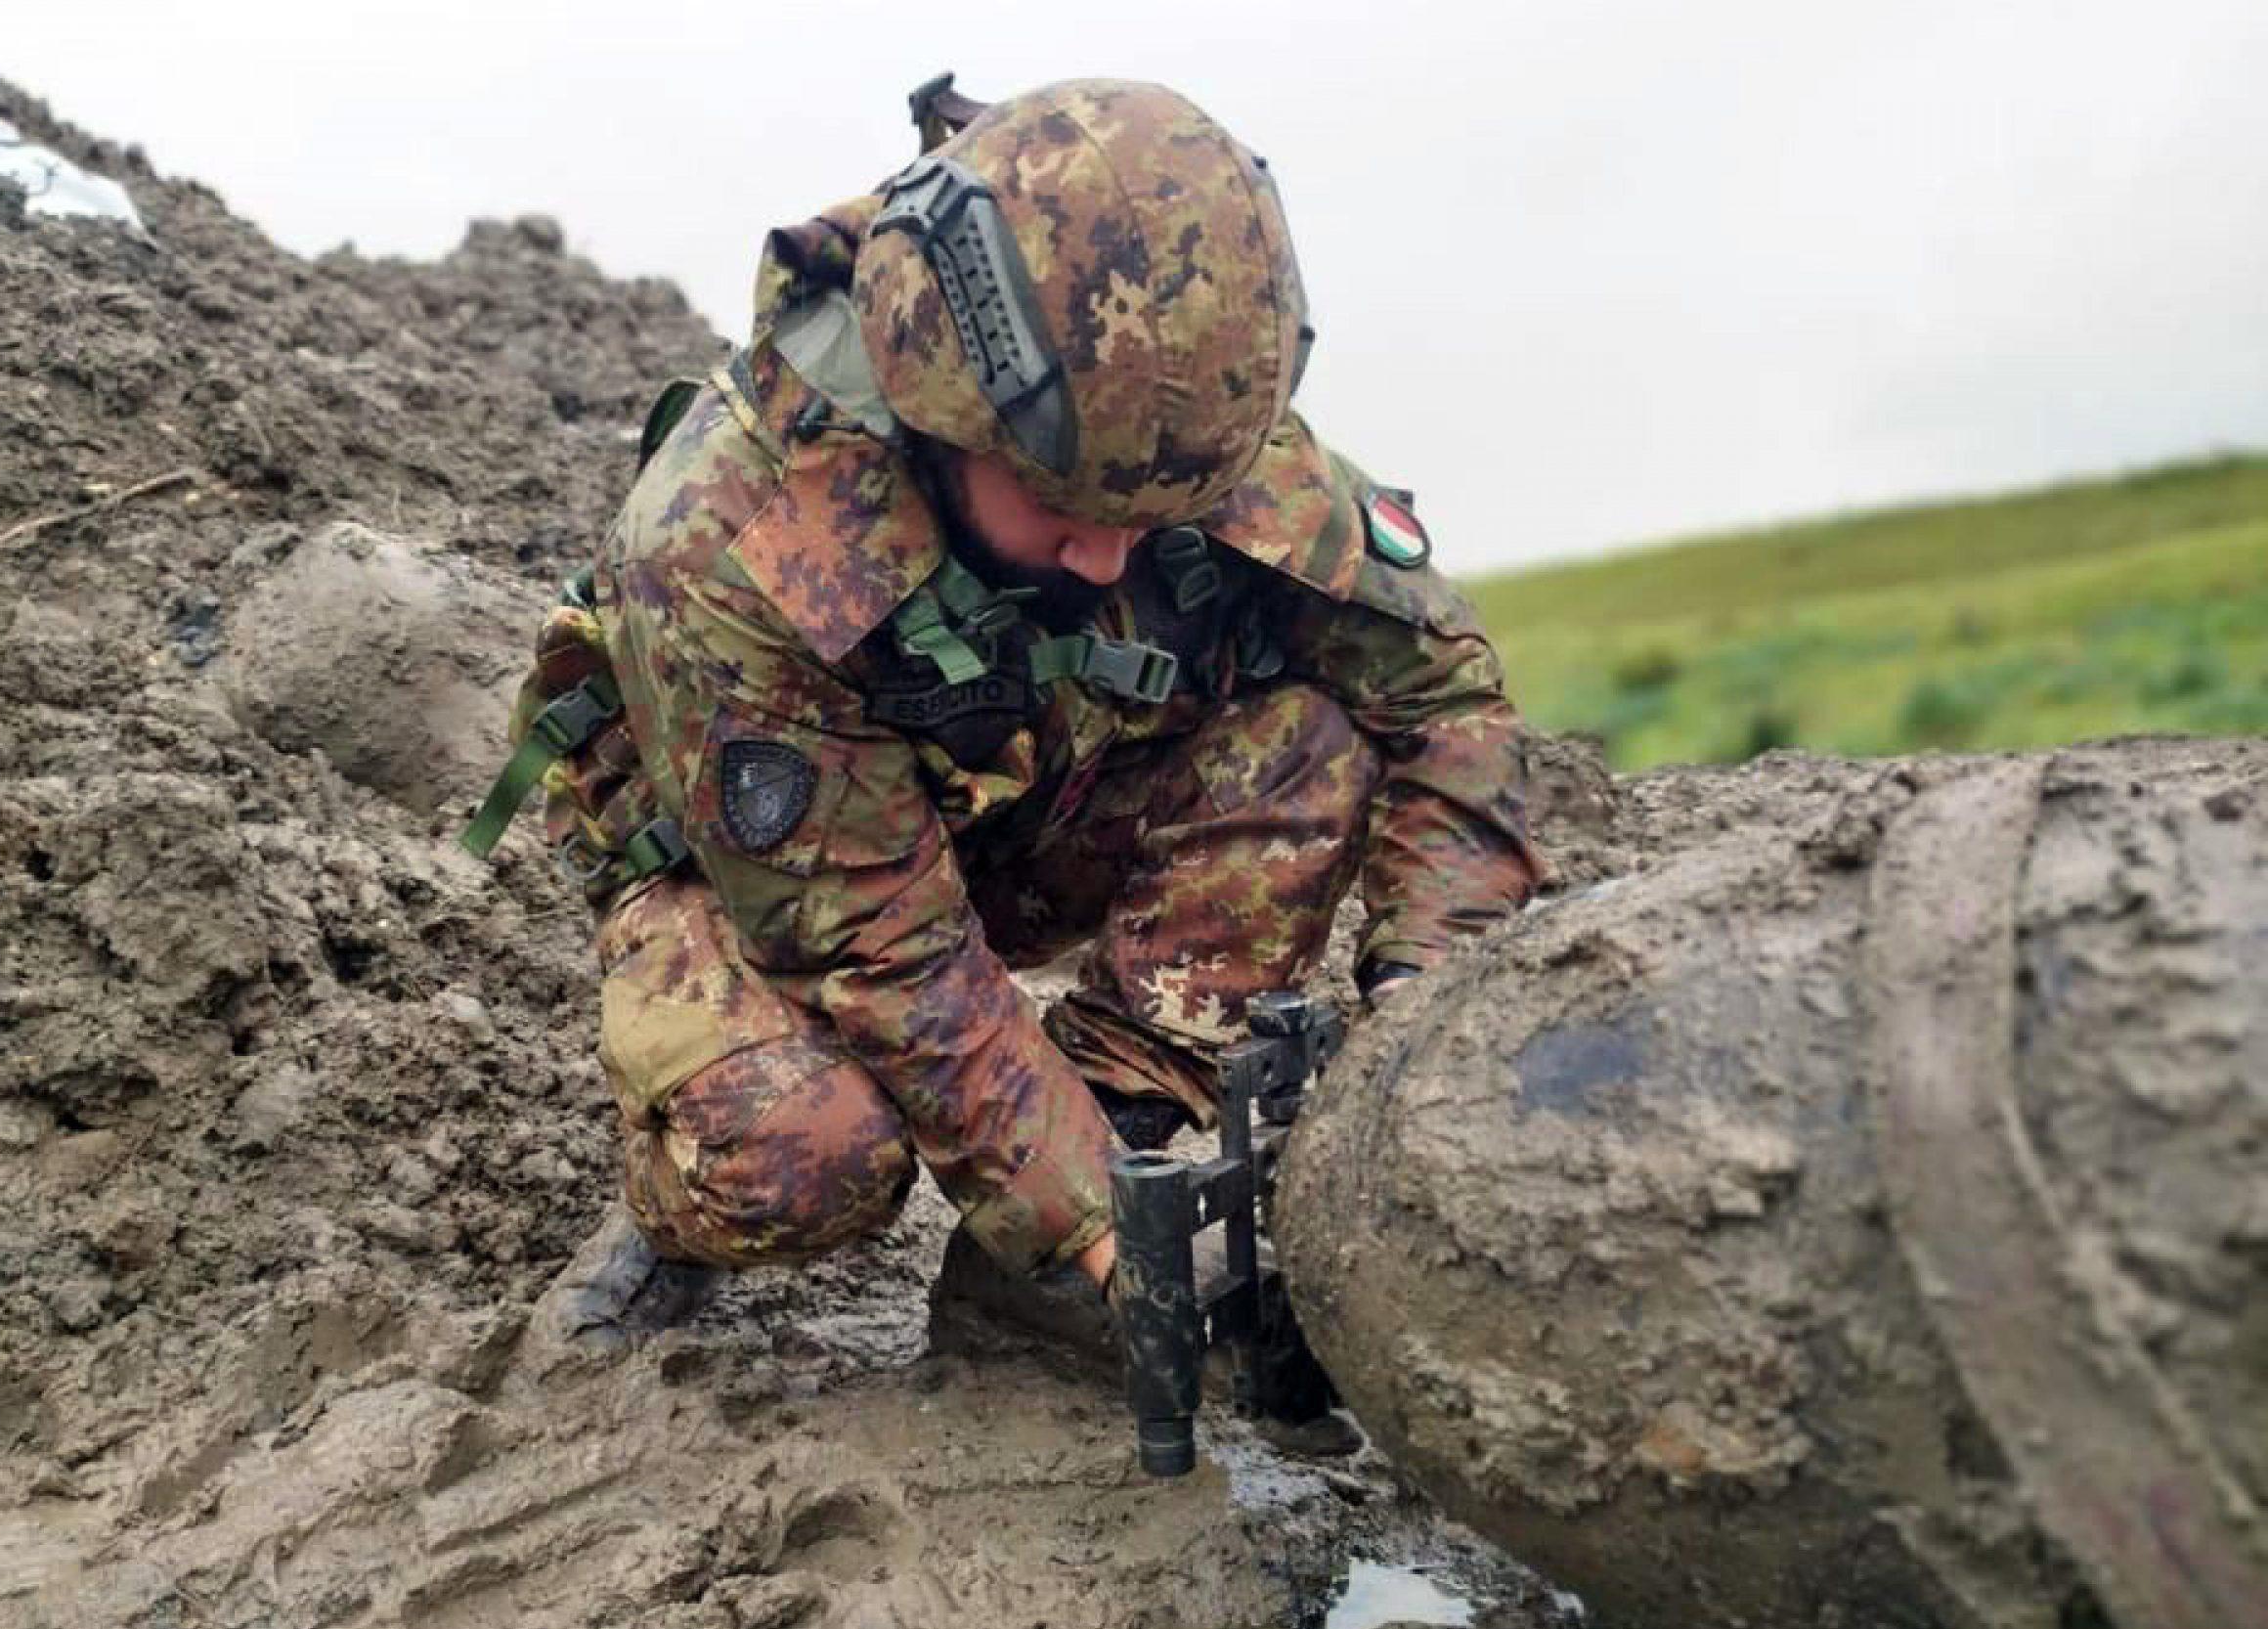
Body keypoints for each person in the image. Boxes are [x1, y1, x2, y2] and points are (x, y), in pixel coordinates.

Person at [467, 76, 1545, 1354]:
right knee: (805, 1157)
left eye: (1143, 519)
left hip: (1016, 801)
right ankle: (677, 1204)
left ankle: (1085, 1173)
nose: (1105, 557)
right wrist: (1108, 1242)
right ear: (942, 409)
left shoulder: (1158, 423)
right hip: (759, 876)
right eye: (1064, 510)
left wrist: (1427, 1014)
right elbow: (889, 958)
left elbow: (1444, 694)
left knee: (1305, 746)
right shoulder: (735, 543)